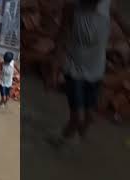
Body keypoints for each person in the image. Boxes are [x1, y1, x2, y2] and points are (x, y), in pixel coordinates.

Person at [49, 0, 111, 147]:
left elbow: (123, 25)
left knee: (90, 117)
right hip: (74, 68)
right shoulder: (71, 8)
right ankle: (58, 144)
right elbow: (62, 37)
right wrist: (54, 69)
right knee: (77, 117)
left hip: (96, 69)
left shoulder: (109, 5)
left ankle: (78, 144)